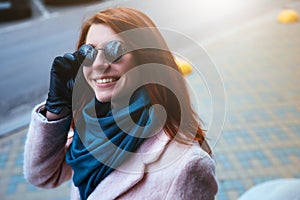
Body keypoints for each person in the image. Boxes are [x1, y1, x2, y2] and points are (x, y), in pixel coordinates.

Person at [23, 7, 218, 200]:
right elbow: (41, 176)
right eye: (88, 52)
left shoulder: (187, 165)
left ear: (146, 59)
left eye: (114, 50)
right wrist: (56, 108)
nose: (98, 63)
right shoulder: (90, 127)